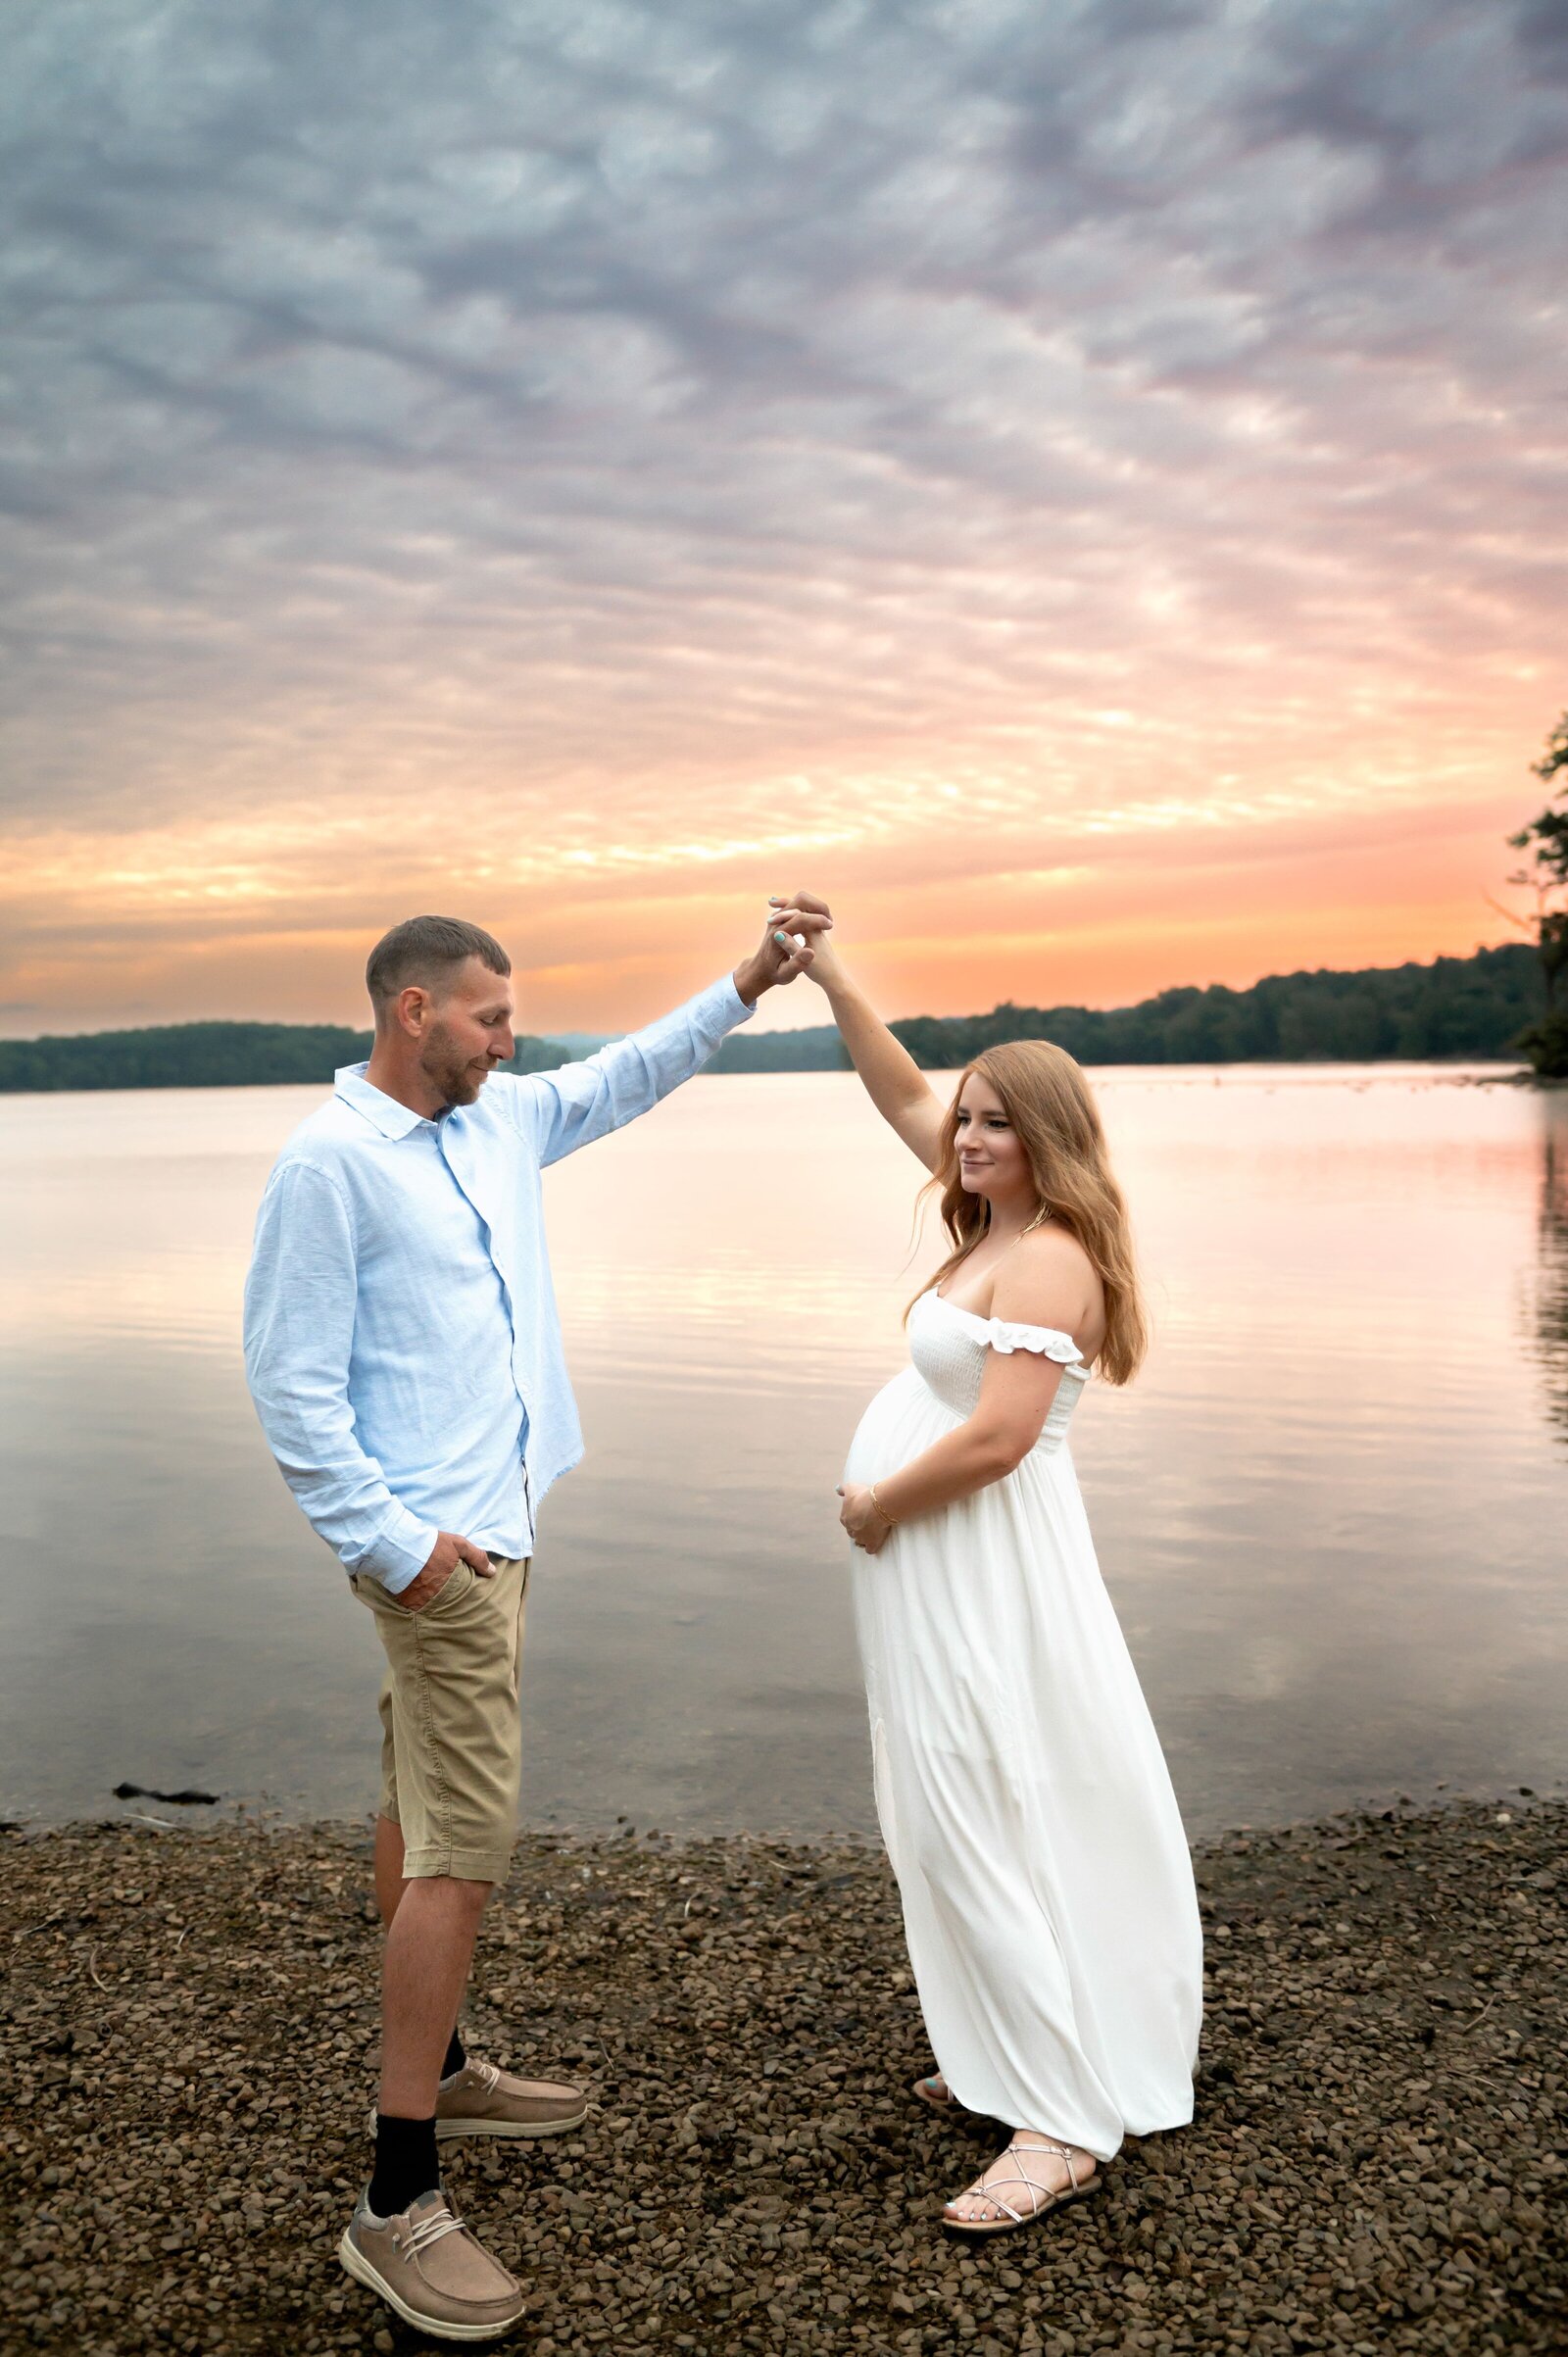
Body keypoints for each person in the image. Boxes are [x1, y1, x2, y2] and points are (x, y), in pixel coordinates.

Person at [242, 904, 828, 2340]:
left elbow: (626, 1074)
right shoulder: (329, 1166)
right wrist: (404, 1551)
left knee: (412, 1798)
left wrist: (747, 984)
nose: (512, 1041)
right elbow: (290, 1389)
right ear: (413, 1013)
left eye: (510, 1019)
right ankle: (396, 2200)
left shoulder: (495, 1122)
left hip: (501, 1523)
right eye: (490, 1017)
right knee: (463, 1851)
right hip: (439, 1555)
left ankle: (439, 2062)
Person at [795, 897, 1202, 2237]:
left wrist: (877, 1504)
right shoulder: (987, 1220)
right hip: (946, 1561)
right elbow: (895, 1080)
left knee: (987, 1792)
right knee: (950, 1796)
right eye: (966, 1118)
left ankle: (1062, 2123)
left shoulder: (1051, 1258)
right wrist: (829, 969)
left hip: (979, 1557)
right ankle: (1003, 2049)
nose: (966, 1136)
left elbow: (1001, 1436)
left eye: (994, 1120)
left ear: (1049, 1137)